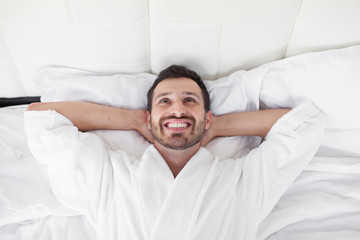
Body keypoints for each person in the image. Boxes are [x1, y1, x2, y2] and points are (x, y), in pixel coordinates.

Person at [25, 65, 325, 240]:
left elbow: (305, 124)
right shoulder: (111, 178)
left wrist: (218, 126)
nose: (178, 108)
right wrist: (132, 120)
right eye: (164, 102)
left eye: (190, 101)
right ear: (148, 116)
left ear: (207, 116)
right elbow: (42, 119)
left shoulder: (242, 181)